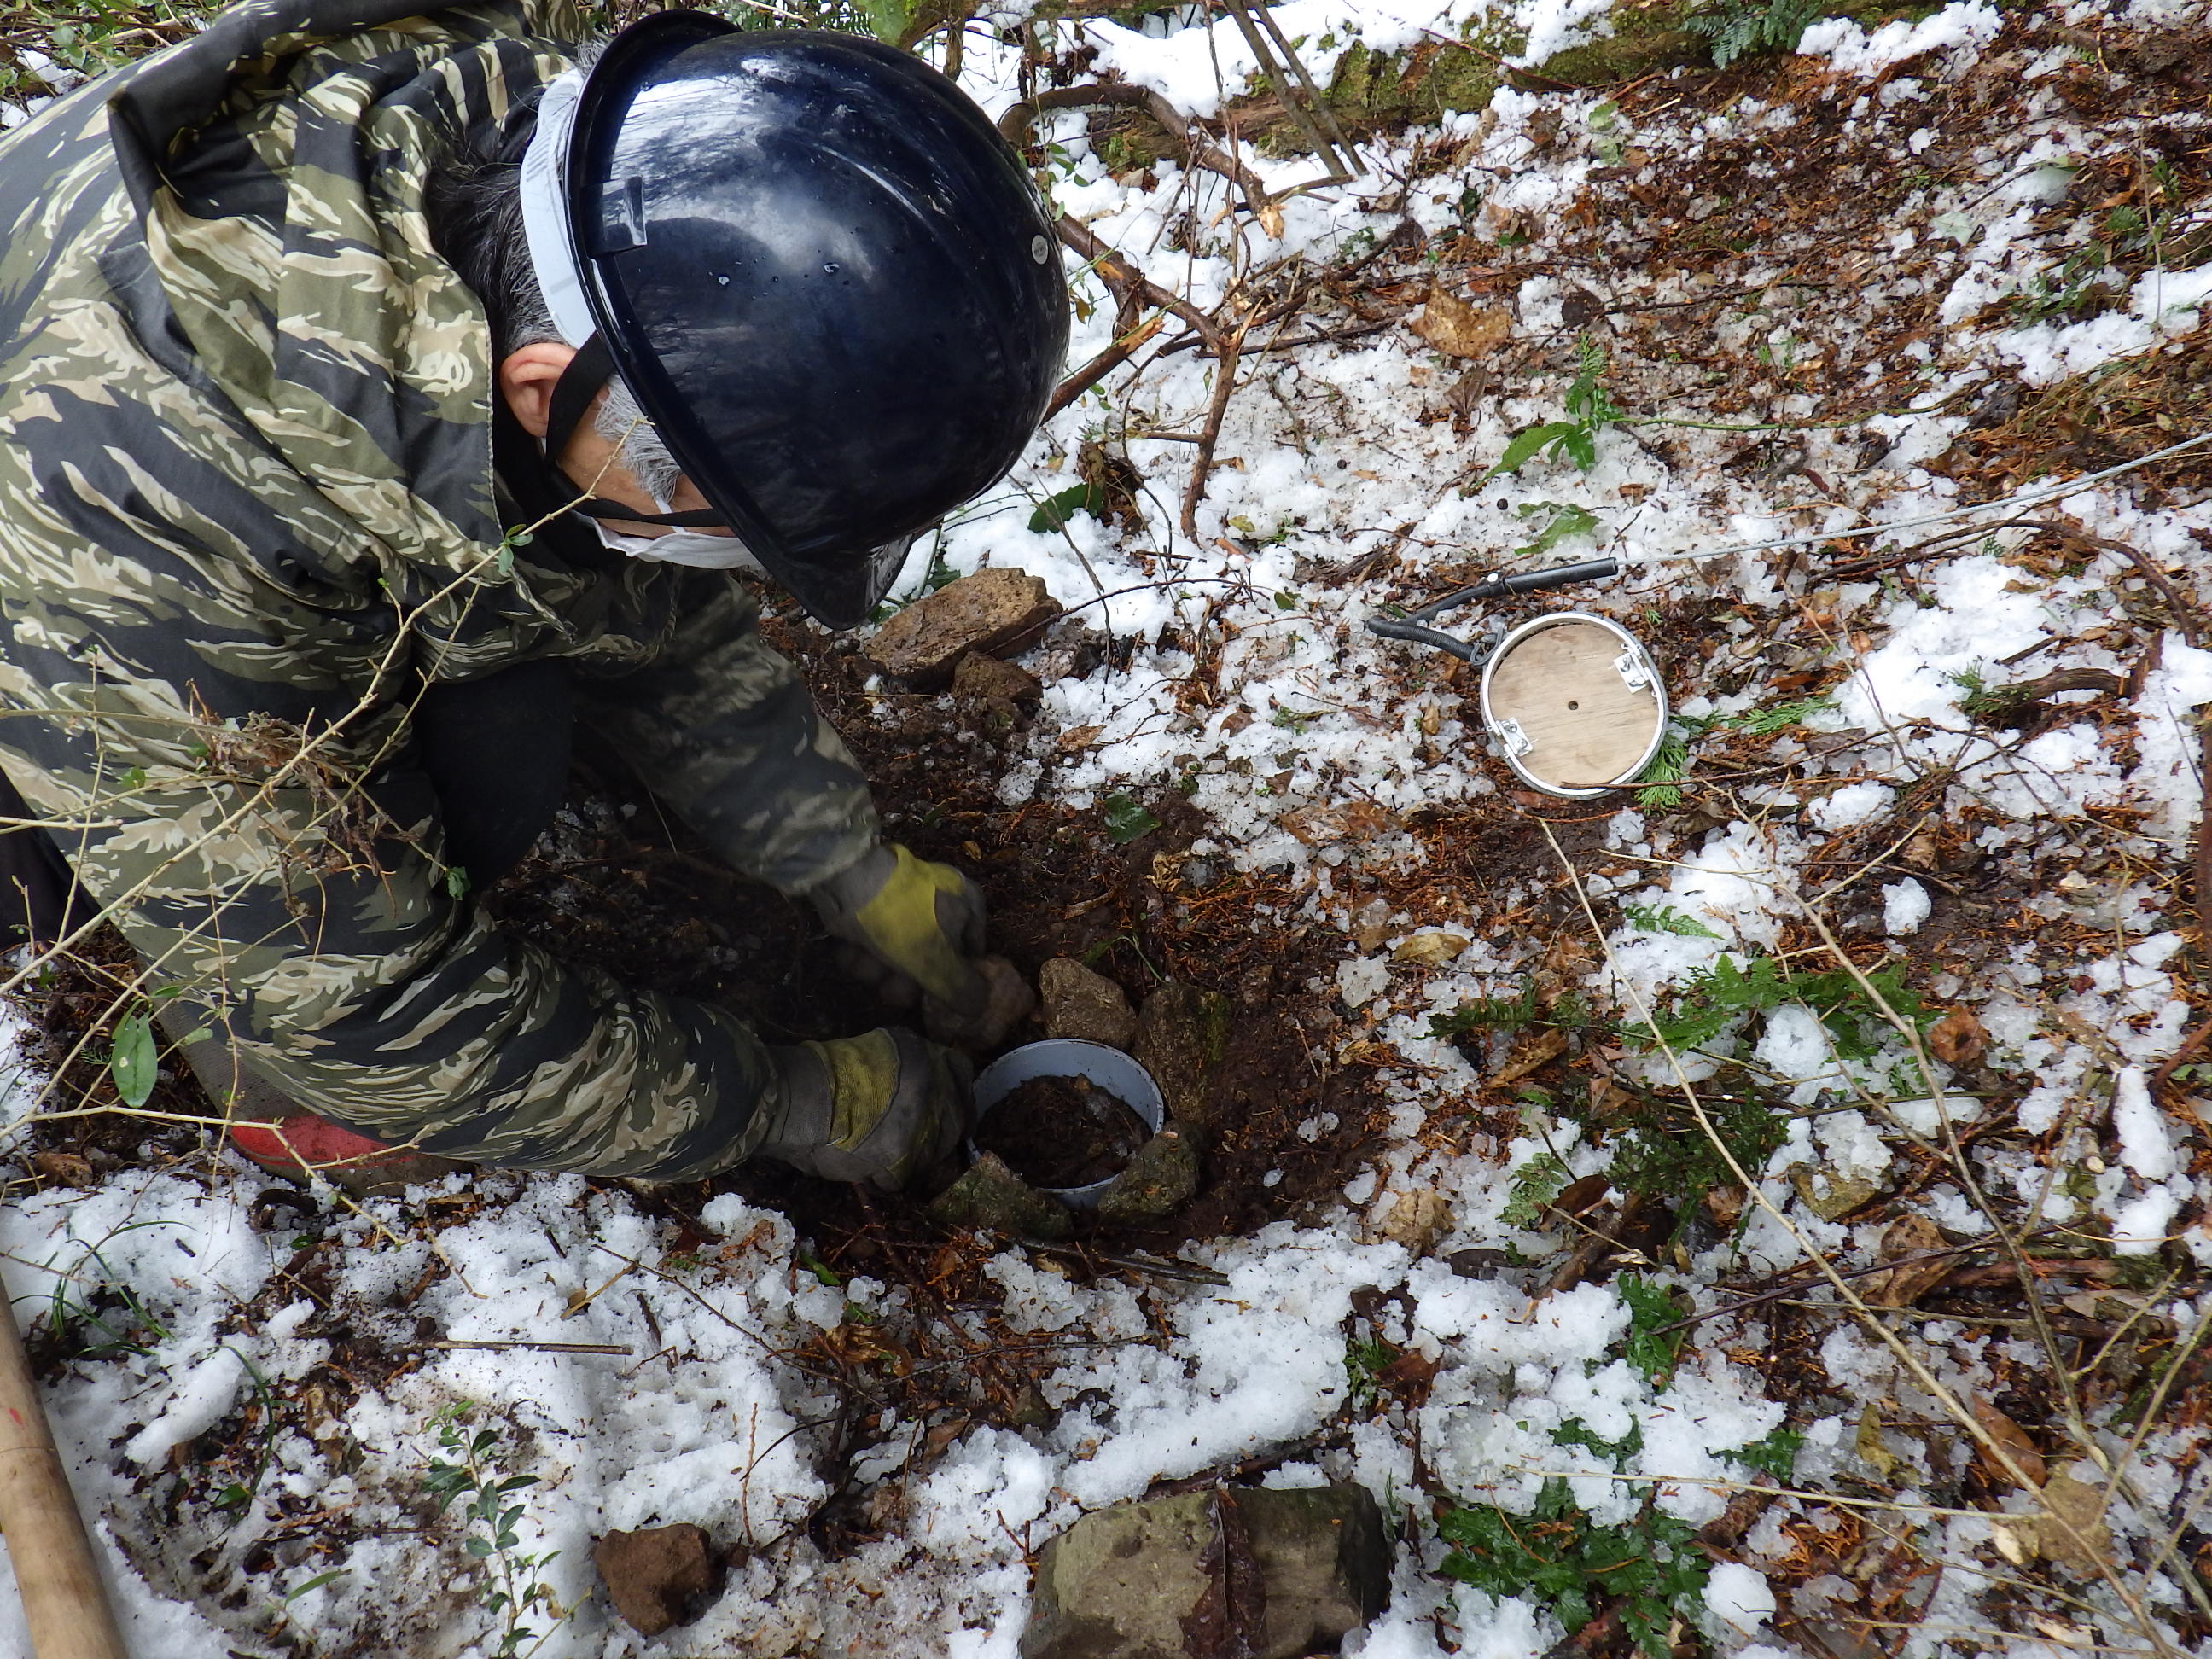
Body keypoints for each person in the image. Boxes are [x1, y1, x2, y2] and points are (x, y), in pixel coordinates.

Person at [0, 0, 1068, 1189]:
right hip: (59, 639)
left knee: (549, 625)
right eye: (724, 528)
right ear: (542, 387)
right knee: (483, 781)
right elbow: (369, 1010)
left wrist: (842, 865)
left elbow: (642, 585)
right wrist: (793, 1100)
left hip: (184, 529)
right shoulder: (170, 497)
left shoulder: (561, 203)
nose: (728, 568)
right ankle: (269, 1097)